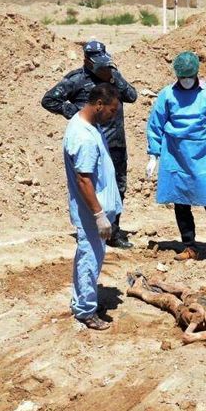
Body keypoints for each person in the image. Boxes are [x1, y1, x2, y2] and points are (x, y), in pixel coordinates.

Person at [146, 51, 206, 267]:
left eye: (189, 76)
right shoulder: (166, 95)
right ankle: (190, 246)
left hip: (204, 154)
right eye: (182, 77)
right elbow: (155, 125)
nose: (186, 81)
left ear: (197, 73)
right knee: (181, 203)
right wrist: (153, 154)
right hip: (176, 154)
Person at [42, 40, 138, 248]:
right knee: (90, 184)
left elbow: (132, 96)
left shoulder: (113, 75)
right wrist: (76, 113)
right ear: (87, 60)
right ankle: (91, 226)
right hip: (90, 143)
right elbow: (49, 100)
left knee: (117, 187)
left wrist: (113, 78)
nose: (101, 66)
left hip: (115, 142)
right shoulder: (76, 80)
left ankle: (113, 230)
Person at [63, 83, 123, 331]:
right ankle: (86, 310)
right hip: (91, 213)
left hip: (95, 210)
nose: (113, 116)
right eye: (111, 110)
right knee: (90, 257)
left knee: (90, 255)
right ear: (99, 105)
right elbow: (84, 179)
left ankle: (81, 301)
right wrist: (99, 215)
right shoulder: (84, 137)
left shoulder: (88, 125)